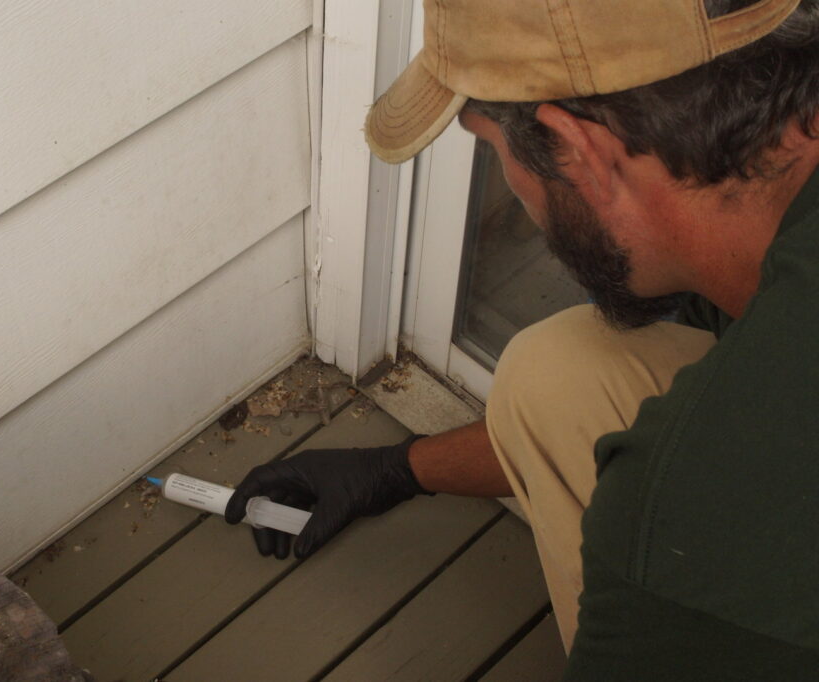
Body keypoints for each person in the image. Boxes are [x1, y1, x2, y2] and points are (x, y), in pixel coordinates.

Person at [226, 0, 819, 677]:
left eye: (489, 145)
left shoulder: (683, 526)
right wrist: (394, 471)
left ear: (579, 151)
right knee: (558, 372)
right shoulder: (771, 233)